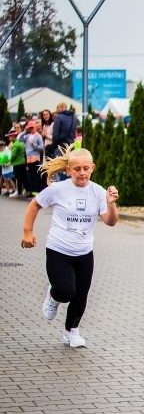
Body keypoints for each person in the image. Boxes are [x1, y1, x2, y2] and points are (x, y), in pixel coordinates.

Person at [20, 144, 119, 348]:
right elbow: (35, 204)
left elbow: (110, 221)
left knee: (81, 295)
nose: (82, 173)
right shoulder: (58, 189)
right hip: (58, 250)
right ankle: (53, 295)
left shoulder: (98, 191)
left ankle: (71, 331)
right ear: (68, 170)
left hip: (84, 253)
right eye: (77, 169)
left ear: (93, 167)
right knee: (66, 291)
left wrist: (110, 203)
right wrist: (27, 231)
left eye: (86, 168)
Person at [23, 121, 44, 195]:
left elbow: (41, 148)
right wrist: (25, 130)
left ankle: (37, 190)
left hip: (35, 157)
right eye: (30, 128)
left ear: (35, 127)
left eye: (32, 127)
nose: (31, 129)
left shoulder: (38, 136)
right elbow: (20, 139)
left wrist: (34, 144)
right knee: (30, 175)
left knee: (36, 175)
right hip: (28, 157)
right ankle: (31, 190)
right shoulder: (27, 136)